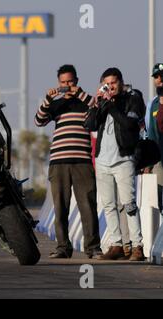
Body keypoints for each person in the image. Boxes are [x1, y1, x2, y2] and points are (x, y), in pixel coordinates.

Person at [34, 64, 102, 259]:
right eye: (63, 82)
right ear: (58, 83)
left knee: (87, 205)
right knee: (60, 206)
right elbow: (39, 121)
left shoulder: (86, 101)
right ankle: (63, 247)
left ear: (77, 81)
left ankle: (93, 247)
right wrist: (48, 99)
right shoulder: (56, 104)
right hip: (59, 162)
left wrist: (79, 93)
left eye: (70, 81)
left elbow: (96, 107)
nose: (67, 85)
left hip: (82, 161)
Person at [84, 67, 146, 261]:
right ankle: (116, 244)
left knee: (129, 204)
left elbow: (129, 124)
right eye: (106, 84)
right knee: (109, 205)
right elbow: (90, 125)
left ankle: (137, 246)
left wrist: (112, 105)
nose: (110, 87)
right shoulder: (103, 102)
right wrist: (96, 104)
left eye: (113, 83)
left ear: (120, 82)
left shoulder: (133, 97)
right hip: (102, 159)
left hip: (124, 158)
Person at [146, 63, 163, 214]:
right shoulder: (153, 104)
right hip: (159, 159)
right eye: (156, 76)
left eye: (162, 76)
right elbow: (151, 132)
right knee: (160, 197)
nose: (160, 79)